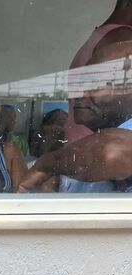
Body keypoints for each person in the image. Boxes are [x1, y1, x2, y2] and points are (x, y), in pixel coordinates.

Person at [20, 41, 132, 193]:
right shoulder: (89, 150)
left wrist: (45, 165)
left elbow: (112, 152)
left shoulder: (116, 146)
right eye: (81, 85)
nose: (81, 94)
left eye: (95, 84)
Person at [53, 0, 132, 192]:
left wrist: (48, 164)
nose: (83, 93)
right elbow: (112, 154)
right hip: (92, 159)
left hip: (87, 159)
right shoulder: (121, 37)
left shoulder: (101, 36)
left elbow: (114, 153)